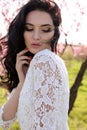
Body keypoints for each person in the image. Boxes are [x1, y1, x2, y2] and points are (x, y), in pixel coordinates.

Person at [0, 0, 69, 129]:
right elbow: (4, 120)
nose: (36, 36)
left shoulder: (44, 60)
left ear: (54, 33)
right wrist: (22, 82)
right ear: (22, 31)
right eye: (29, 28)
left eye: (45, 30)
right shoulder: (40, 63)